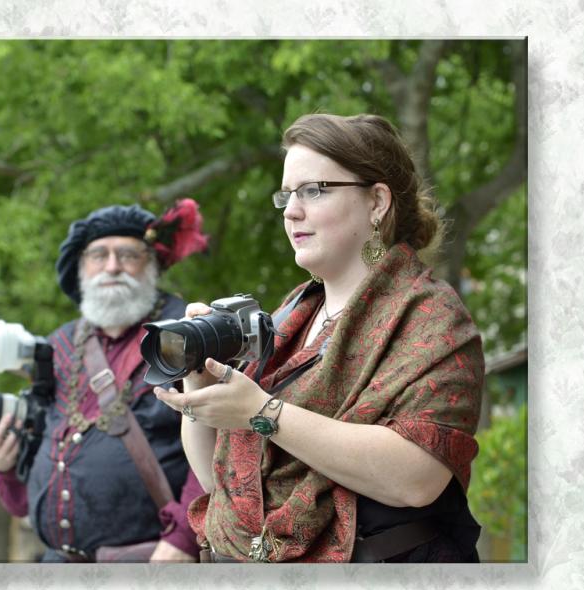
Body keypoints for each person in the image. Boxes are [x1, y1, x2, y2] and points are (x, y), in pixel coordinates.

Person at [155, 113, 485, 563]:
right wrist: (199, 377)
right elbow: (218, 481)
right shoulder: (290, 315)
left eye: (314, 190)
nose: (292, 210)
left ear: (377, 202)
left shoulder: (431, 318)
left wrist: (261, 412)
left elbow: (416, 477)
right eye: (287, 194)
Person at [0, 202, 208, 562]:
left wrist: (184, 538)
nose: (112, 266)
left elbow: (224, 441)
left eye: (128, 254)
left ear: (153, 264)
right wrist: (5, 467)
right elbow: (22, 501)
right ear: (82, 268)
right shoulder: (59, 345)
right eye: (98, 255)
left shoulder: (185, 332)